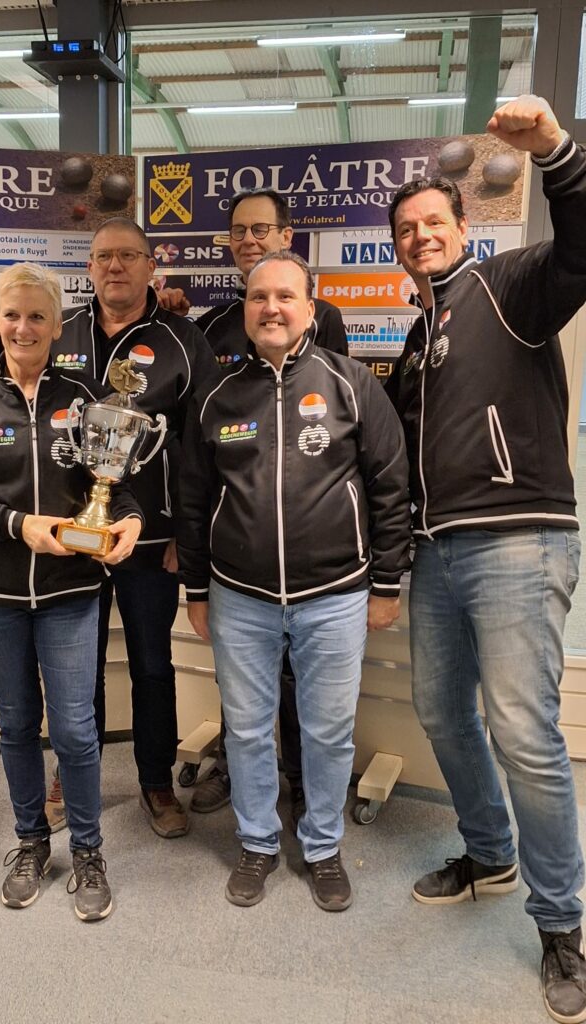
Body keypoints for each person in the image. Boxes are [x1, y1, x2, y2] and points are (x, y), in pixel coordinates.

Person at [383, 95, 586, 1023]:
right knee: (440, 711)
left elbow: (581, 246)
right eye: (407, 231)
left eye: (435, 223)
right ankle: (491, 854)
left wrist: (557, 152)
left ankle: (562, 926)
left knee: (525, 734)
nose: (421, 237)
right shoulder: (418, 337)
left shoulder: (509, 285)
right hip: (437, 553)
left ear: (463, 228)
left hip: (517, 541)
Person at [177, 250, 410, 910]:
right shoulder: (217, 395)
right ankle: (256, 842)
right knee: (248, 730)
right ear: (245, 310)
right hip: (239, 597)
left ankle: (323, 847)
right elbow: (192, 499)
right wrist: (196, 590)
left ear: (310, 308)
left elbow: (391, 485)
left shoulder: (350, 383)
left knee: (328, 732)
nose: (271, 308)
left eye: (285, 296)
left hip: (335, 596)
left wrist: (386, 583)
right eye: (259, 298)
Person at [0, 263, 142, 918]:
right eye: (12, 315)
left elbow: (116, 483)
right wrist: (20, 525)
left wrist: (130, 518)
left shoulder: (86, 399)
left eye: (37, 316)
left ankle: (89, 849)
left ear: (56, 326)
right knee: (16, 723)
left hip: (72, 589)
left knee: (74, 728)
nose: (24, 327)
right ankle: (31, 841)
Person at [164, 188, 350, 821]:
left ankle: (299, 780)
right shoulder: (214, 323)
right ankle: (235, 768)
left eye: (261, 229)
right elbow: (199, 439)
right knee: (241, 680)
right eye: (239, 231)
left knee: (299, 679)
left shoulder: (324, 317)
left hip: (310, 547)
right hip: (237, 546)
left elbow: (333, 420)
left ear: (287, 236)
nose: (249, 240)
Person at [49, 217, 219, 840]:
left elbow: (202, 446)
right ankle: (74, 776)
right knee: (77, 668)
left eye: (128, 256)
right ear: (89, 267)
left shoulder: (183, 339)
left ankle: (155, 780)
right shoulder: (59, 329)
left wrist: (185, 534)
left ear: (152, 267)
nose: (114, 266)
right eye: (103, 257)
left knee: (152, 665)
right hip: (71, 536)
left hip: (152, 540)